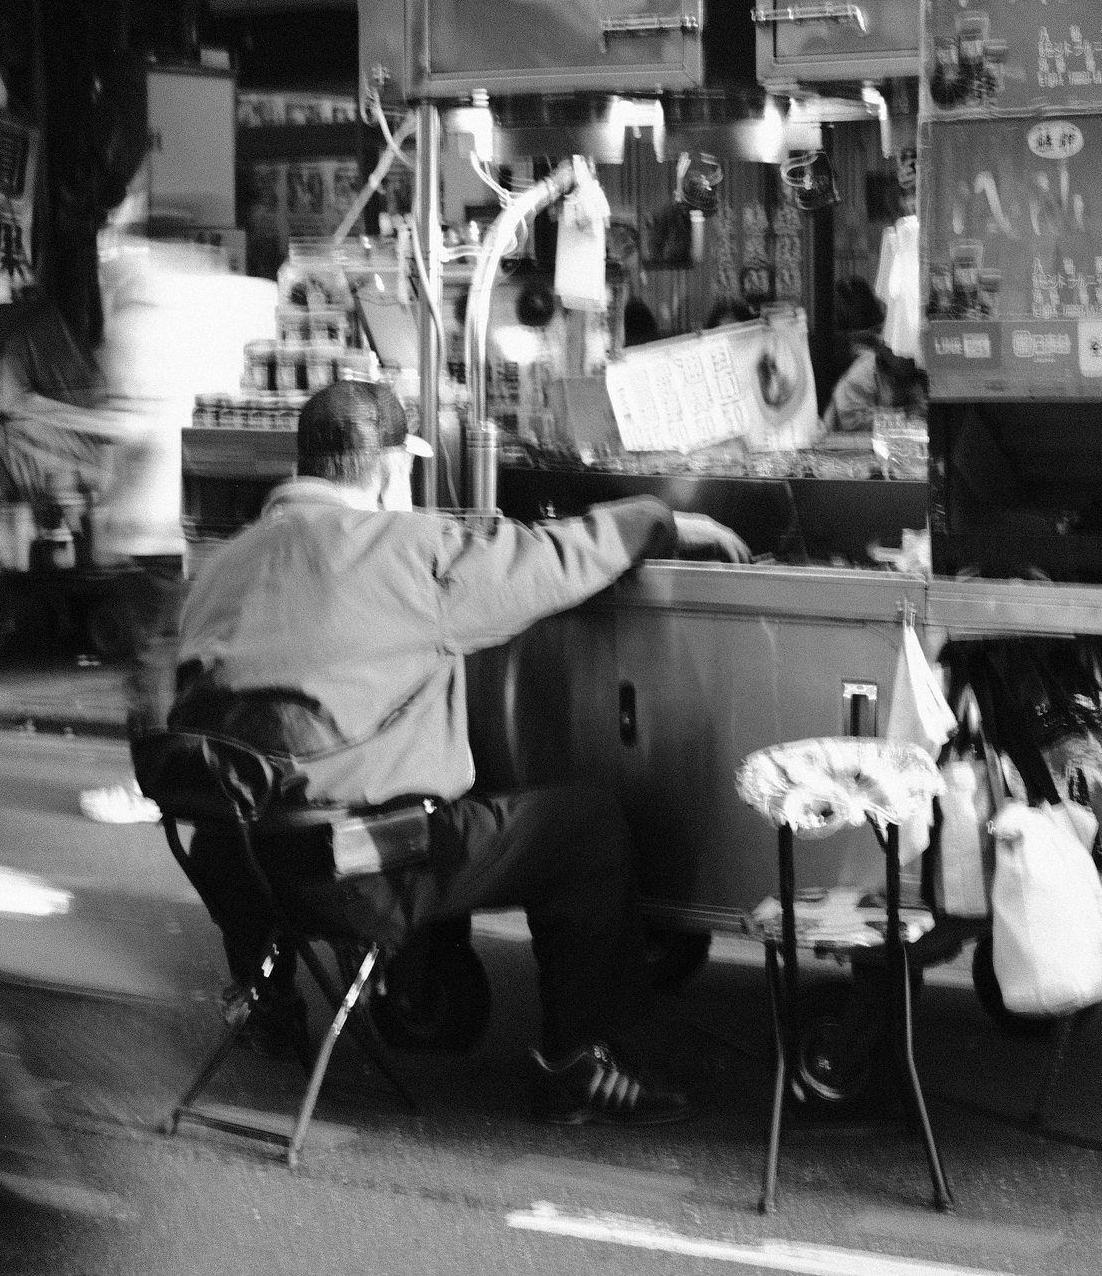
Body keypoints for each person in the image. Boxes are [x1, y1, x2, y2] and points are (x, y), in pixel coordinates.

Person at [162, 380, 749, 1124]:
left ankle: (270, 995)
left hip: (239, 866)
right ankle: (578, 1062)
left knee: (392, 779)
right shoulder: (406, 550)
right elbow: (553, 557)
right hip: (354, 871)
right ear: (387, 467)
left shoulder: (219, 567)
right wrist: (659, 520)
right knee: (587, 825)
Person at [821, 277, 925, 433]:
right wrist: (905, 418)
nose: (911, 359)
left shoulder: (912, 376)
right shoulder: (865, 373)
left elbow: (921, 410)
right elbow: (851, 422)